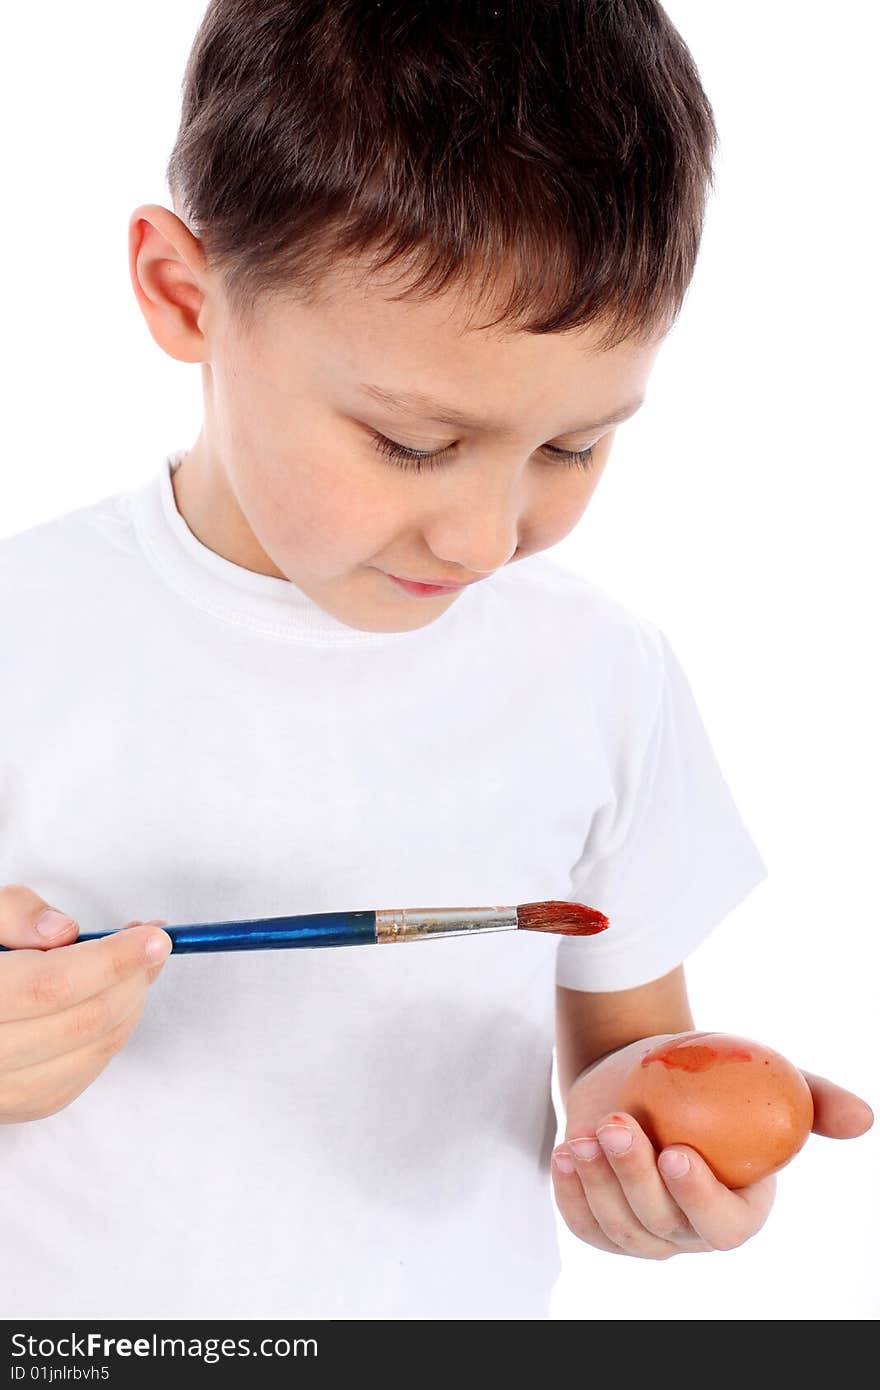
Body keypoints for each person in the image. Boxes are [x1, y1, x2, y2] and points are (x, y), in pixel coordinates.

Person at [0, 0, 871, 1321]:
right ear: (185, 294)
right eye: (413, 444)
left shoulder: (600, 676)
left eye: (573, 447)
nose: (484, 535)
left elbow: (625, 1064)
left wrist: (647, 1156)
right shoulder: (28, 632)